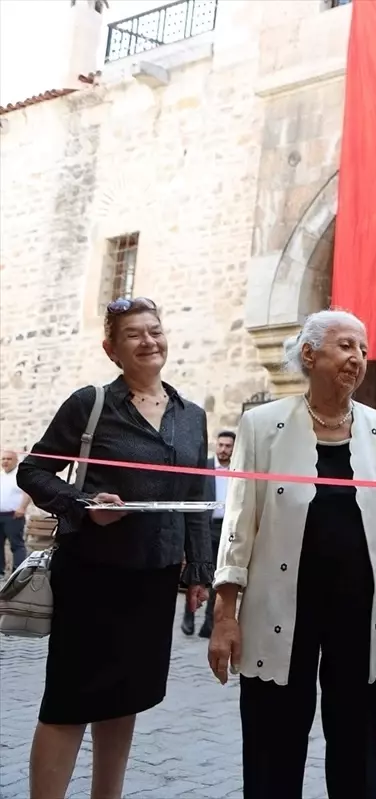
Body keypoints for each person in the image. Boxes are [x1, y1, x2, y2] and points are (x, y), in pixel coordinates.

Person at [207, 309, 376, 799]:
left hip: (360, 610)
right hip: (278, 606)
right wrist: (225, 614)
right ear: (308, 353)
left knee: (357, 744)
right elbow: (239, 523)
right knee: (273, 742)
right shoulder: (262, 426)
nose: (357, 358)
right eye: (345, 346)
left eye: (363, 348)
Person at [17, 297, 212, 799]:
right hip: (93, 575)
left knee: (126, 697)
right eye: (134, 334)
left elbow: (197, 496)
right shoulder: (91, 404)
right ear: (112, 349)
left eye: (155, 330)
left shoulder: (192, 416)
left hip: (154, 575)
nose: (149, 341)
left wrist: (201, 573)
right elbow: (32, 470)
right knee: (69, 701)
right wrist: (82, 504)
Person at [182, 429, 235, 638]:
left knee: (217, 577)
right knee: (197, 572)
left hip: (225, 529)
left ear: (233, 448)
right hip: (203, 526)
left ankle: (209, 622)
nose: (223, 450)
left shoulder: (238, 470)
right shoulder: (204, 467)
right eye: (220, 445)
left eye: (228, 446)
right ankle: (188, 614)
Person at [0, 449, 29, 574]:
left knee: (16, 545)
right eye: (3, 459)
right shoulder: (1, 475)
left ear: (16, 461)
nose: (6, 461)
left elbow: (28, 492)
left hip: (14, 516)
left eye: (9, 459)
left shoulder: (20, 476)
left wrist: (22, 507)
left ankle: (18, 573)